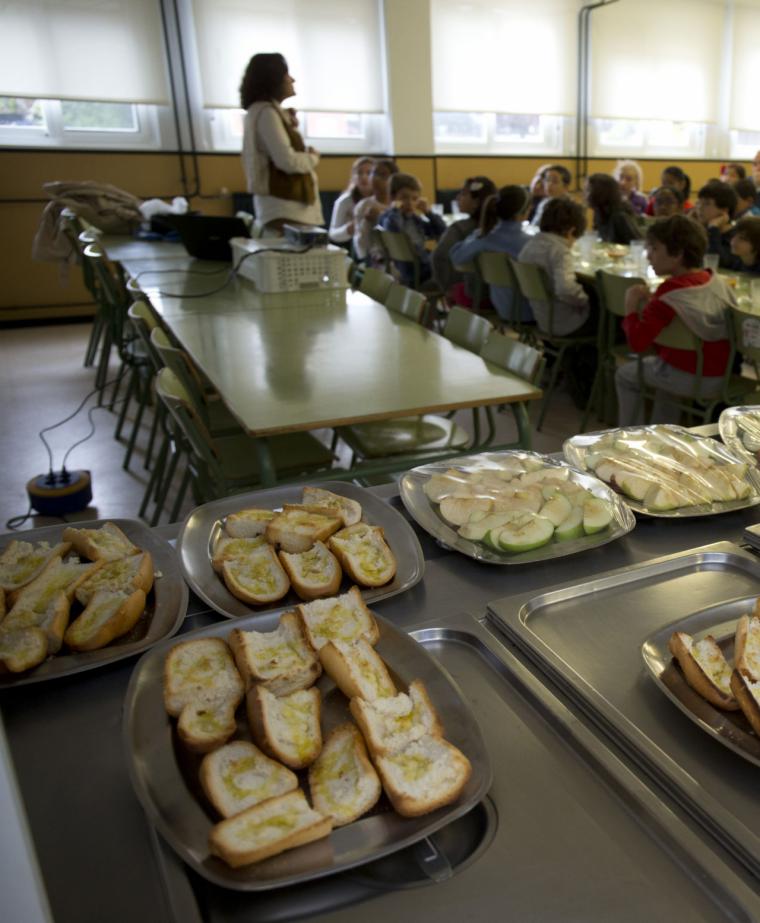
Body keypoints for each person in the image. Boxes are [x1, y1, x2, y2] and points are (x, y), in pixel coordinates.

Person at [615, 215, 735, 426]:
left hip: (692, 377)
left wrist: (631, 308)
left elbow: (637, 343)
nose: (648, 255)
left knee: (625, 376)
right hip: (722, 375)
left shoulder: (669, 294)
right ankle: (663, 436)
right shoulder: (712, 279)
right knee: (664, 375)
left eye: (653, 249)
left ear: (677, 254)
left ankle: (631, 437)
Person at [240, 52, 322, 234]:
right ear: (273, 79)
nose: (292, 80)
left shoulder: (265, 112)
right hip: (286, 209)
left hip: (285, 210)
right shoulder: (267, 114)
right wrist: (312, 157)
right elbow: (287, 161)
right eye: (287, 75)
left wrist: (286, 121)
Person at [448, 184, 533, 324]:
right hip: (529, 312)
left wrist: (474, 236)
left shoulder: (484, 238)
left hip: (500, 307)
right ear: (525, 212)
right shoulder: (530, 243)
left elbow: (456, 257)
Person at [519, 197, 592, 336]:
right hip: (566, 323)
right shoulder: (560, 251)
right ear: (571, 231)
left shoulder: (529, 245)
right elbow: (565, 289)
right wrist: (585, 300)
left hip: (541, 318)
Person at [431, 175, 496, 300]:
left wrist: (448, 290)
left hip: (468, 294)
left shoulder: (459, 230)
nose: (457, 198)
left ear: (476, 203)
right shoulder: (498, 230)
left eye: (463, 194)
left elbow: (438, 257)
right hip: (496, 297)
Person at [377, 172, 446, 287]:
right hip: (416, 271)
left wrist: (428, 213)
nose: (409, 203)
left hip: (421, 266)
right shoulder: (388, 218)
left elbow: (443, 232)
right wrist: (395, 210)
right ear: (393, 198)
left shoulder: (414, 219)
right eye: (404, 198)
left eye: (414, 199)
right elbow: (395, 228)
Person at [352, 158, 399, 262]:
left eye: (383, 175)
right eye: (373, 173)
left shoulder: (398, 205)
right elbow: (360, 244)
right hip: (373, 260)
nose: (376, 178)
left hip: (398, 257)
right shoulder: (364, 205)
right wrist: (366, 221)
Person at [585, 173, 642, 245]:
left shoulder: (619, 216)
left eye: (588, 190)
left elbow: (637, 244)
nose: (585, 195)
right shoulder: (599, 211)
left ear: (600, 193)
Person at [328, 157, 373, 245]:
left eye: (369, 173)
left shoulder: (382, 198)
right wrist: (348, 229)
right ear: (353, 176)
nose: (364, 177)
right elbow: (332, 234)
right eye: (359, 173)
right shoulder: (344, 201)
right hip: (351, 245)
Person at [694, 180, 737, 267]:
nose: (699, 208)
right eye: (699, 203)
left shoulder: (736, 237)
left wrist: (713, 228)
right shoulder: (702, 231)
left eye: (707, 204)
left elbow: (717, 265)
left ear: (724, 210)